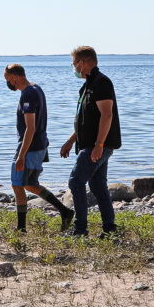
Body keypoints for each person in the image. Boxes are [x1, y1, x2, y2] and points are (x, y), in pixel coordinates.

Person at [60, 46, 122, 239]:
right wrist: (71, 141)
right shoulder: (87, 85)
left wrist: (99, 145)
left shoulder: (101, 83)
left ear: (82, 63)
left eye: (74, 64)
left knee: (76, 181)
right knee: (97, 186)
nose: (73, 68)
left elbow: (107, 115)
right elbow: (84, 120)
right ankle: (110, 229)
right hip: (89, 144)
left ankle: (80, 230)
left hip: (97, 145)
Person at [4, 64, 74, 232]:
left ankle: (23, 228)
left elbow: (31, 128)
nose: (7, 82)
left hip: (30, 147)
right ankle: (64, 212)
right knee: (25, 184)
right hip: (38, 144)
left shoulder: (28, 93)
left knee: (21, 184)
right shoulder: (36, 89)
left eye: (8, 78)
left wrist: (21, 156)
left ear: (16, 77)